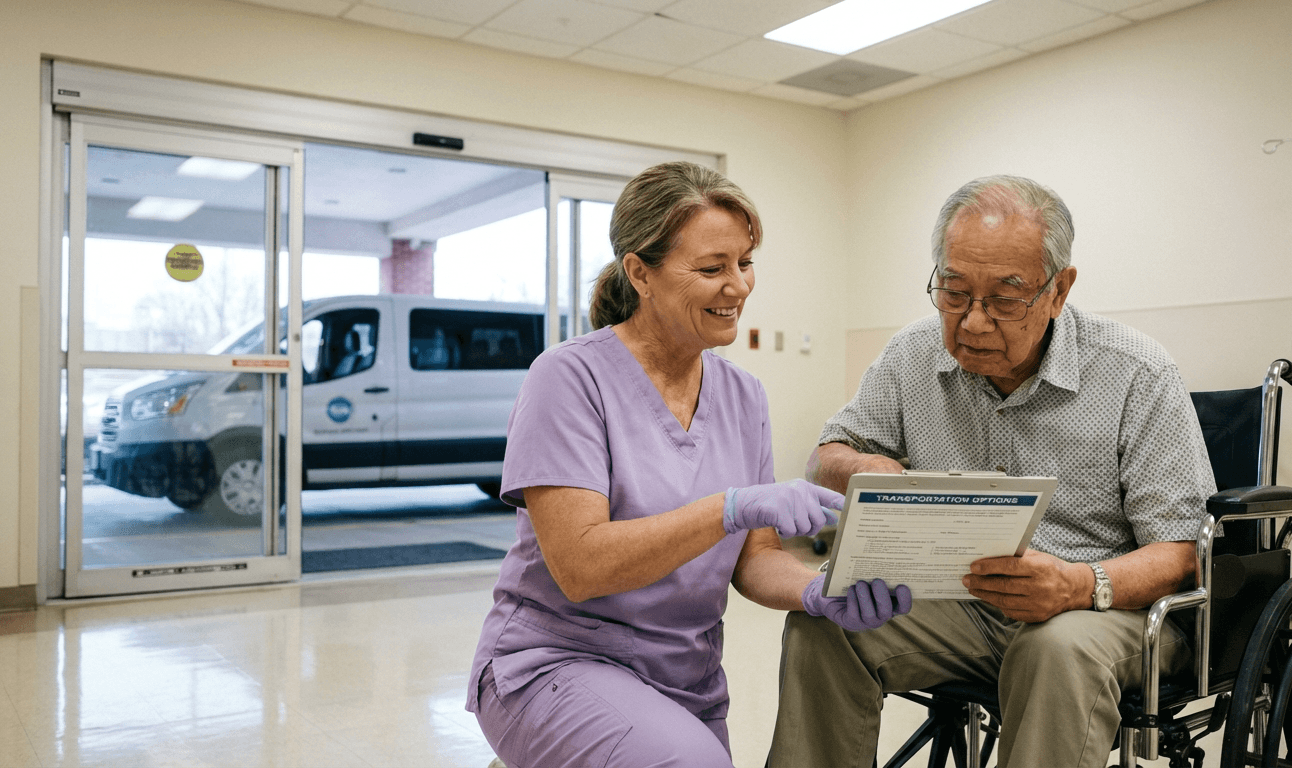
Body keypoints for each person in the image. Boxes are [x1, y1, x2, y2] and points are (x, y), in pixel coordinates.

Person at [467, 161, 912, 768]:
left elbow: (755, 560)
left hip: (685, 680)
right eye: (711, 269)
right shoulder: (569, 379)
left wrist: (818, 590)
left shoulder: (743, 395)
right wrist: (727, 509)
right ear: (639, 273)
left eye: (745, 263)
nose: (738, 286)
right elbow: (580, 566)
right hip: (557, 661)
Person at [766, 175, 1216, 768]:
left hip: (1105, 614)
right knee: (826, 620)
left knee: (1055, 648)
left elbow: (1182, 553)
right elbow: (826, 454)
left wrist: (1076, 584)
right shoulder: (912, 356)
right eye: (953, 293)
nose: (973, 322)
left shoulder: (1137, 374)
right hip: (960, 602)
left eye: (1004, 300)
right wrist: (865, 467)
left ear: (1059, 290)